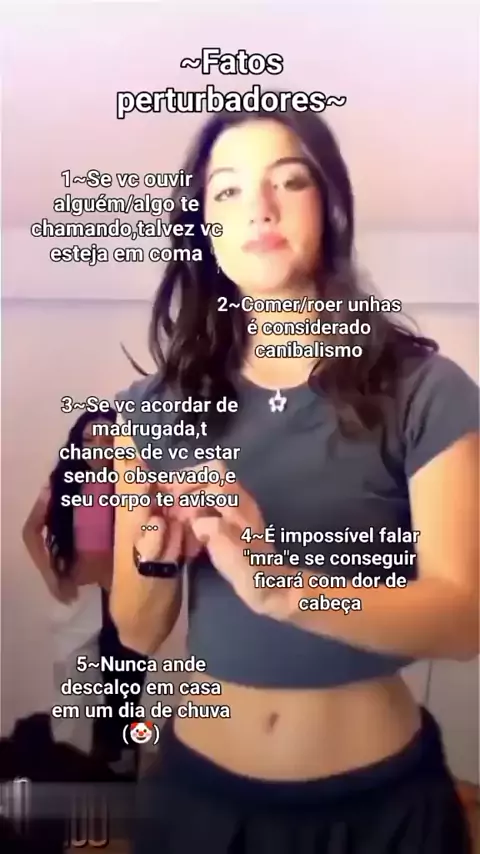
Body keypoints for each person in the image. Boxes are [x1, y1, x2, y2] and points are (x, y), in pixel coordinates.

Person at [111, 103, 479, 853]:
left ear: (331, 206)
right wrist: (158, 555)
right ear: (204, 229)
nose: (259, 207)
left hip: (381, 812)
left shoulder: (427, 391)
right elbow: (138, 631)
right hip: (198, 803)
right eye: (227, 191)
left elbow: (466, 621)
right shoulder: (150, 410)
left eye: (288, 180)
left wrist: (284, 589)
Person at [22, 410, 144, 770]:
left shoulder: (131, 485)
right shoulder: (62, 484)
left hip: (123, 599)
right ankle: (71, 761)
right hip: (81, 599)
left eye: (107, 441)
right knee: (75, 684)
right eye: (89, 440)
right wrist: (50, 578)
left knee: (126, 684)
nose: (97, 449)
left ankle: (121, 763)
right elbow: (30, 531)